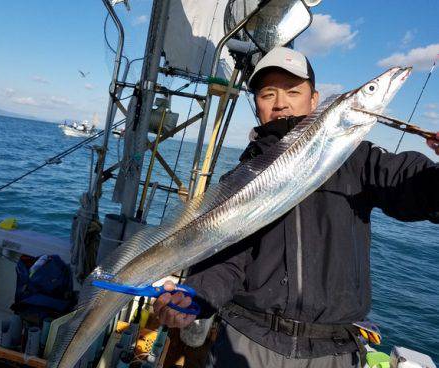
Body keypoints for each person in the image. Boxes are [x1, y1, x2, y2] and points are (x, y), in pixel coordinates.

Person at [154, 47, 439, 367]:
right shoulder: (240, 179)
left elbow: (418, 189)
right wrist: (194, 298)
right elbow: (225, 259)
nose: (280, 102)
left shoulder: (358, 159)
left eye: (293, 90)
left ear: (315, 100)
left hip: (333, 349)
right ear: (257, 104)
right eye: (267, 93)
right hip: (249, 341)